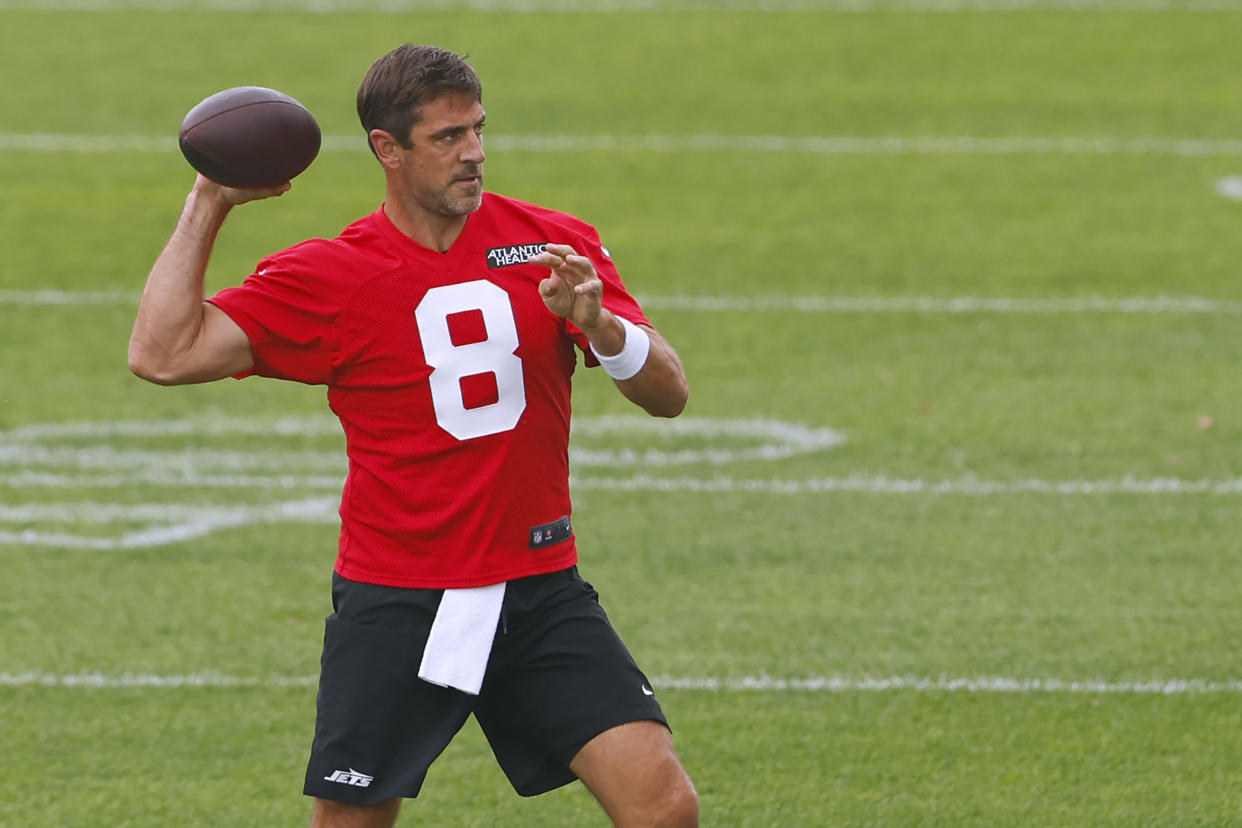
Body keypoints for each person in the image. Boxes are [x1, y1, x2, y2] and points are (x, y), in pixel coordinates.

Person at [128, 43, 697, 828]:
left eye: (478, 130)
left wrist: (600, 326)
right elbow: (161, 354)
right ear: (386, 150)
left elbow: (668, 394)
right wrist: (209, 200)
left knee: (664, 807)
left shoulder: (552, 244)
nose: (475, 154)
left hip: (538, 587)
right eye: (448, 138)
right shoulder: (331, 274)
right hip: (399, 599)